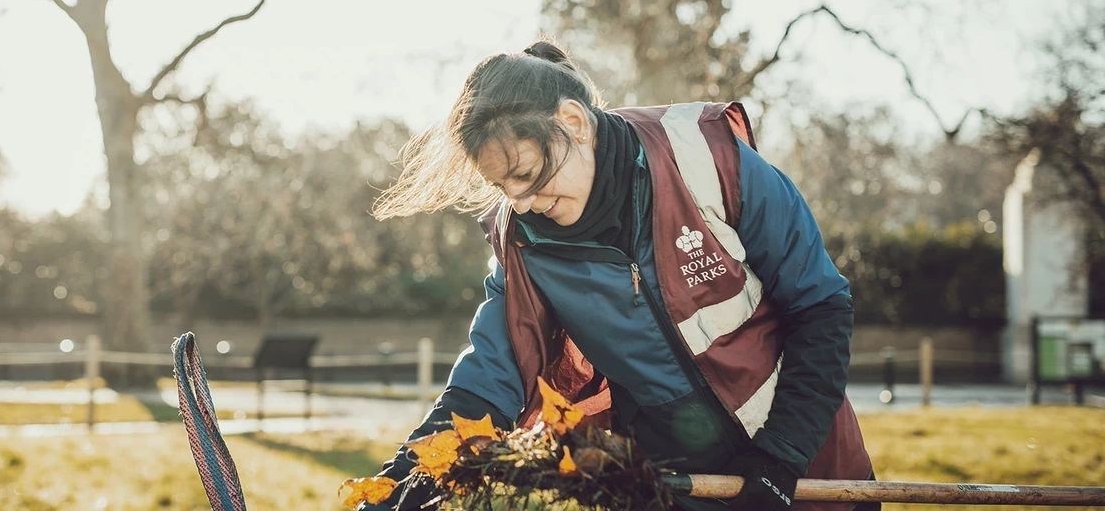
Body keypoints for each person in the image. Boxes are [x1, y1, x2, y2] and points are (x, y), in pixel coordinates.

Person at [363, 41, 875, 511]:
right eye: (501, 186)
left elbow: (821, 309)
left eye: (523, 174)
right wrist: (399, 486)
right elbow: (483, 386)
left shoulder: (705, 158)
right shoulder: (521, 245)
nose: (518, 201)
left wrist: (779, 459)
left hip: (809, 467)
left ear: (574, 122)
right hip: (674, 486)